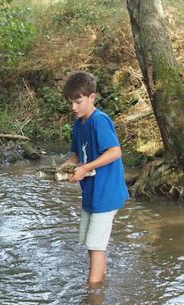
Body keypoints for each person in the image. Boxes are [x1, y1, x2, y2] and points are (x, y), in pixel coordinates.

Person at [59, 71, 129, 285]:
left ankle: (93, 297)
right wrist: (64, 168)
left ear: (92, 97)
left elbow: (115, 151)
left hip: (106, 193)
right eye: (71, 103)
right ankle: (102, 282)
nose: (74, 108)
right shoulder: (78, 124)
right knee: (93, 245)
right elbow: (77, 155)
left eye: (78, 102)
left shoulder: (99, 121)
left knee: (96, 246)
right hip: (91, 193)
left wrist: (85, 168)